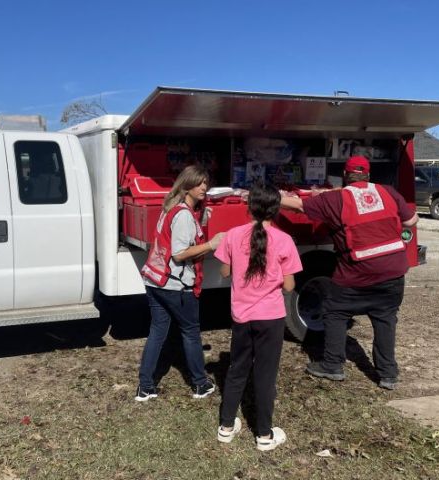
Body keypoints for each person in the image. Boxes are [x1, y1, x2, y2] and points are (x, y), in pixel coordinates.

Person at [279, 155, 418, 390]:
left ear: (344, 175)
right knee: (385, 320)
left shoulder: (336, 199)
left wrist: (265, 197)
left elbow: (299, 206)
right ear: (369, 175)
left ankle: (332, 365)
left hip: (357, 273)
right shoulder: (387, 192)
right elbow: (411, 220)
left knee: (335, 311)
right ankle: (388, 375)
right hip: (393, 270)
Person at [214, 184, 302, 451]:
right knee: (265, 375)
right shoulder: (285, 240)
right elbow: (289, 286)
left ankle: (226, 427)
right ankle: (264, 434)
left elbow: (225, 272)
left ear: (248, 207)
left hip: (242, 315)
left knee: (237, 370)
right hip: (271, 317)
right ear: (277, 209)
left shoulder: (232, 235)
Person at [136, 165, 225, 402]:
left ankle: (145, 387)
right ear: (187, 186)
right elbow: (179, 253)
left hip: (155, 280)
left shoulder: (171, 208)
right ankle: (200, 384)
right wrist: (211, 244)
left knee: (157, 332)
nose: (204, 187)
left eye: (206, 182)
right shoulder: (184, 215)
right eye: (199, 183)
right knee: (191, 332)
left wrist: (202, 217)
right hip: (175, 285)